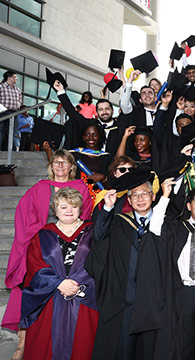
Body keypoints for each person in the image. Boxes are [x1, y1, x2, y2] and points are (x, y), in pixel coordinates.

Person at [3, 149, 93, 358]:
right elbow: (24, 214)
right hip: (44, 244)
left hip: (72, 246)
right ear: (50, 166)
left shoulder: (81, 187)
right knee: (30, 288)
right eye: (56, 162)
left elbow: (85, 215)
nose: (60, 166)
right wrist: (41, 232)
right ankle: (23, 343)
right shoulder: (39, 188)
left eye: (65, 162)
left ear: (72, 166)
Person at [86, 171, 167, 359]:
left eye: (144, 194)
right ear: (128, 200)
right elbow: (98, 237)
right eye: (135, 195)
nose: (140, 199)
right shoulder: (119, 223)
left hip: (156, 299)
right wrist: (107, 207)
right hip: (126, 298)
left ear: (153, 197)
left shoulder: (166, 224)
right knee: (125, 349)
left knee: (152, 349)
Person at [20, 187, 99, 359]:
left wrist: (78, 283)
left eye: (74, 206)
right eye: (63, 207)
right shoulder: (43, 234)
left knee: (84, 344)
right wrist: (58, 283)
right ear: (55, 210)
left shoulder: (93, 231)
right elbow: (34, 264)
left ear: (80, 208)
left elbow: (100, 261)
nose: (69, 210)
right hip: (51, 296)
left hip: (84, 295)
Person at [149, 182, 195, 359]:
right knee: (182, 338)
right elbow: (154, 227)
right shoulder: (176, 228)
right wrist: (165, 196)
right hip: (182, 291)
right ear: (189, 206)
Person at [0, 70, 22, 150]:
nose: (16, 79)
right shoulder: (1, 87)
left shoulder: (17, 90)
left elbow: (20, 100)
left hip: (14, 113)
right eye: (15, 77)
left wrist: (18, 105)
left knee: (14, 132)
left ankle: (13, 150)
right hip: (3, 112)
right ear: (9, 78)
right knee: (1, 131)